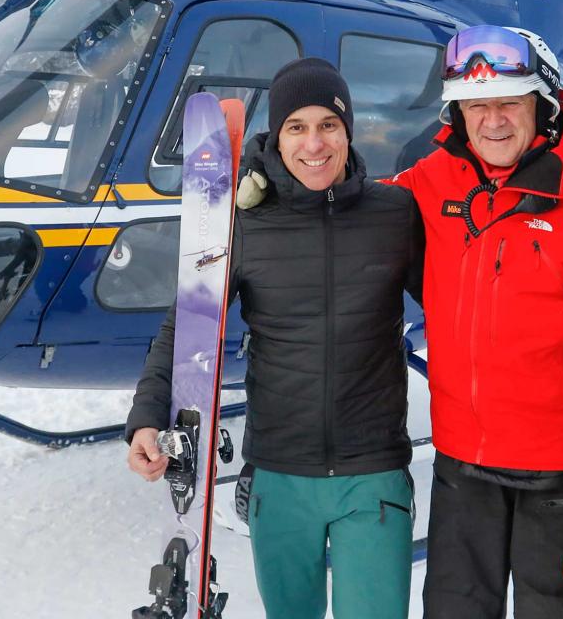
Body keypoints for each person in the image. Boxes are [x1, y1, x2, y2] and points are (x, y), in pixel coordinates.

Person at [126, 57, 424, 619]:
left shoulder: (395, 215)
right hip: (280, 478)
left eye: (328, 125)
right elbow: (186, 325)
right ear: (277, 136)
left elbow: (460, 305)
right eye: (297, 127)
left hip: (373, 474)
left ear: (348, 131)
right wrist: (146, 415)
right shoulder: (243, 224)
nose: (314, 143)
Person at [391, 25, 563, 619]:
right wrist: (283, 183)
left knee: (556, 611)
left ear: (541, 106)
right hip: (463, 459)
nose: (492, 121)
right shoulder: (432, 179)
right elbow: (354, 209)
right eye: (476, 106)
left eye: (508, 103)